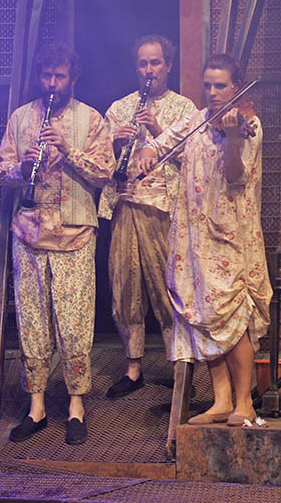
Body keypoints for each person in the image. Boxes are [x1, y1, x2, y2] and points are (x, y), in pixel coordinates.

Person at [136, 53, 270, 427]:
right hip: (194, 234)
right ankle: (221, 400)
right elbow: (162, 143)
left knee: (232, 316)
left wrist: (229, 137)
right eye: (208, 85)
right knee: (202, 315)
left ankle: (245, 401)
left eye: (220, 85)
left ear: (236, 86)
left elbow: (236, 177)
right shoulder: (197, 119)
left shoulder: (249, 126)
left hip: (229, 234)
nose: (212, 92)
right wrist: (149, 151)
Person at [0, 42, 112, 445]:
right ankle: (37, 407)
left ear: (73, 78)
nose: (52, 83)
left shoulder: (91, 119)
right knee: (32, 323)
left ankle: (77, 406)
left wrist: (68, 148)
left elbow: (104, 173)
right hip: (29, 231)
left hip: (76, 233)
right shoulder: (22, 117)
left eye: (60, 77)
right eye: (47, 76)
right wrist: (21, 166)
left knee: (75, 323)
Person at [98, 35, 196, 398]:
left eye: (155, 63)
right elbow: (99, 168)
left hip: (163, 211)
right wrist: (116, 145)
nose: (149, 70)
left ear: (168, 65)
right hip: (125, 206)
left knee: (166, 289)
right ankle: (133, 367)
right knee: (124, 288)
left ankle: (179, 368)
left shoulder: (184, 108)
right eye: (143, 63)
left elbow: (195, 163)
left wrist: (157, 131)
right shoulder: (119, 108)